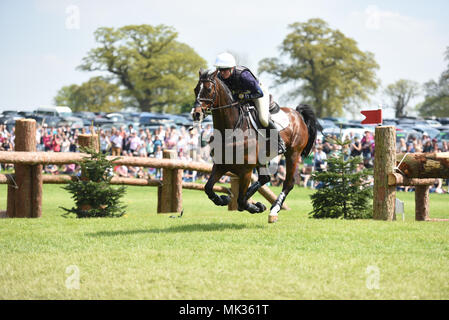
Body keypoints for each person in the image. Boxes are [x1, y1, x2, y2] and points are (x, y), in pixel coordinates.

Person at [214, 52, 286, 155]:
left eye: (225, 70)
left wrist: (243, 96)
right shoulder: (220, 77)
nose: (222, 72)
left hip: (257, 93)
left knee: (263, 119)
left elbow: (258, 92)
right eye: (220, 69)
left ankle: (279, 142)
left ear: (232, 68)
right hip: (239, 98)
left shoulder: (243, 75)